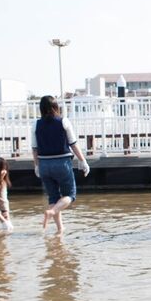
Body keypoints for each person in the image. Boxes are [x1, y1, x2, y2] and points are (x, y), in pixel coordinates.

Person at [32, 95, 90, 233]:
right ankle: (51, 212)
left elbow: (34, 148)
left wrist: (36, 166)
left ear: (41, 108)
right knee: (70, 195)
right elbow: (73, 144)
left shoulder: (36, 124)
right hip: (61, 163)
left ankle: (60, 229)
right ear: (56, 107)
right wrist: (83, 161)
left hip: (44, 164)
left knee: (53, 197)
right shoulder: (64, 121)